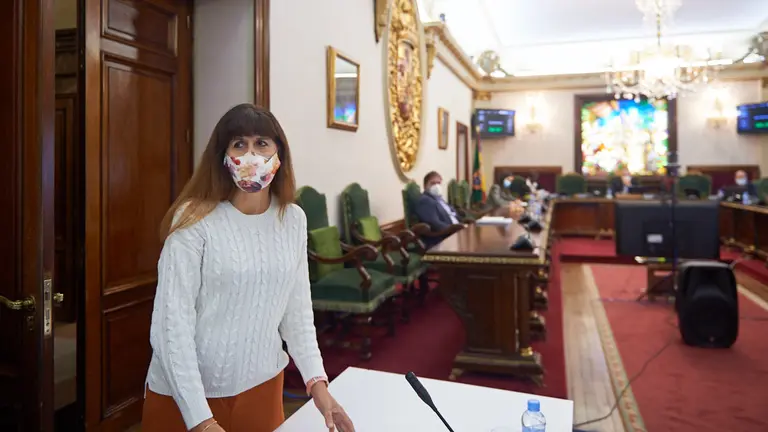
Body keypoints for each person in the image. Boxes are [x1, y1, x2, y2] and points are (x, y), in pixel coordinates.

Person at [141, 104, 354, 432]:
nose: (251, 155)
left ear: (278, 154)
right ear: (223, 157)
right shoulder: (193, 220)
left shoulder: (292, 219)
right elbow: (171, 328)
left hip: (263, 389)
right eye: (239, 144)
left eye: (262, 144)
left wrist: (319, 387)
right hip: (186, 400)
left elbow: (296, 315)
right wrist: (201, 421)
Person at [414, 171, 461, 248]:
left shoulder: (439, 199)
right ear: (425, 186)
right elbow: (435, 224)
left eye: (438, 183)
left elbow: (453, 214)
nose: (436, 186)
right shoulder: (425, 200)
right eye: (433, 183)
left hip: (454, 233)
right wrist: (455, 229)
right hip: (441, 239)